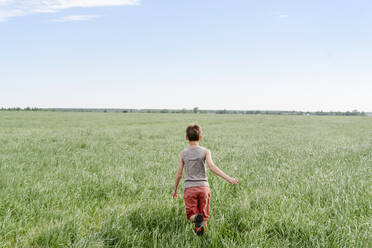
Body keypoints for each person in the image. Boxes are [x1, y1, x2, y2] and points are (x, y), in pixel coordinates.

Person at [172, 124, 238, 236]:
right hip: (204, 188)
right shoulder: (206, 151)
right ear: (200, 137)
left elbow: (179, 174)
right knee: (204, 215)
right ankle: (202, 236)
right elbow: (212, 167)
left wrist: (175, 190)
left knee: (192, 216)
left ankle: (197, 219)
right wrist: (229, 179)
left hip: (189, 189)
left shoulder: (183, 153)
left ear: (186, 138)